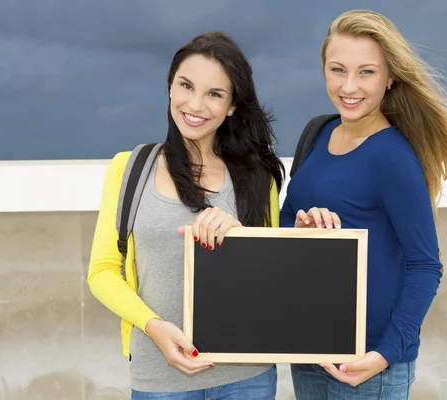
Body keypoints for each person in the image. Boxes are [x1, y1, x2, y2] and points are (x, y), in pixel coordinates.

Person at [281, 9, 447, 399]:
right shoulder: (316, 133)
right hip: (310, 352)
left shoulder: (393, 158)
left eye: (366, 72)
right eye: (337, 69)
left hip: (369, 367)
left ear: (390, 79)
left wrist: (385, 354)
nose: (349, 86)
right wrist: (301, 234)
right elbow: (283, 232)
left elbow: (425, 264)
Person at [88, 31, 284, 399]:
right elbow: (102, 271)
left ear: (232, 105)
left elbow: (273, 281)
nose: (195, 104)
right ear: (170, 89)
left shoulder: (257, 176)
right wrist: (154, 327)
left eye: (214, 94)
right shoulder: (128, 169)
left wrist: (242, 238)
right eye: (185, 86)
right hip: (159, 377)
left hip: (248, 378)